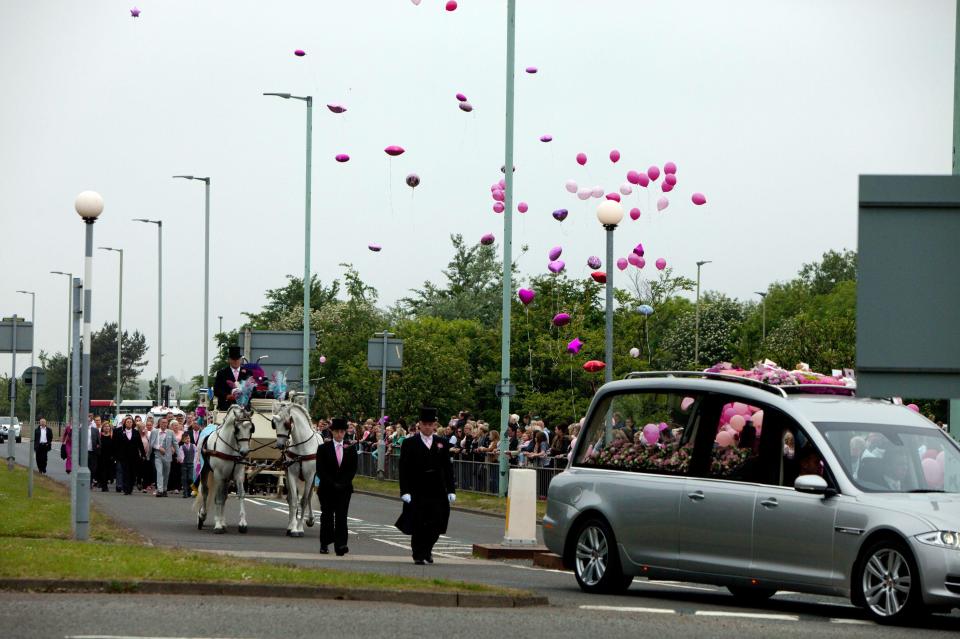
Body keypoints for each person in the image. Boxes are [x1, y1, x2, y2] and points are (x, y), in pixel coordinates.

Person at [397, 407, 456, 565]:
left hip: (437, 489)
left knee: (437, 523)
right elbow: (403, 468)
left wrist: (451, 489)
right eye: (425, 424)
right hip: (418, 489)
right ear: (420, 425)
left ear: (434, 425)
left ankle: (427, 549)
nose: (428, 427)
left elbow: (448, 469)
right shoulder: (410, 443)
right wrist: (404, 491)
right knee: (419, 523)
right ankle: (418, 554)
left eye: (431, 424)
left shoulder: (442, 443)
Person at [318, 418, 358, 556]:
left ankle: (341, 544)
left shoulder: (350, 449)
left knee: (342, 517)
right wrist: (332, 483)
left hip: (344, 489)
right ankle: (325, 543)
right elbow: (320, 470)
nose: (339, 434)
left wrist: (343, 483)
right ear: (332, 432)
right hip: (327, 489)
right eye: (337, 432)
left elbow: (352, 470)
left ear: (345, 432)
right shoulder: (323, 448)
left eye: (342, 432)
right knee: (327, 516)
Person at [213, 345, 250, 410]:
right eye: (233, 359)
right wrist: (227, 396)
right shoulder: (221, 373)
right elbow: (216, 390)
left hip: (244, 407)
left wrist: (244, 396)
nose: (235, 361)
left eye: (237, 359)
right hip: (226, 407)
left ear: (240, 360)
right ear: (229, 360)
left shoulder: (248, 373)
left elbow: (252, 390)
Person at [115, 416, 144, 495]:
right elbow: (116, 444)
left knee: (132, 473)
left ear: (133, 423)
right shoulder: (120, 432)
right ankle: (125, 488)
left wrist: (143, 453)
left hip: (134, 456)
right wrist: (116, 455)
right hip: (123, 456)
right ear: (125, 423)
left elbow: (140, 444)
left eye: (130, 422)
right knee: (125, 472)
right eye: (127, 422)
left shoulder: (135, 432)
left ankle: (130, 487)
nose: (129, 423)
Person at [150, 418, 177, 497]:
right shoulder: (154, 432)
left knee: (166, 473)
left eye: (166, 422)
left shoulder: (170, 432)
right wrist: (158, 447)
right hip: (157, 455)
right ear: (159, 423)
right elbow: (151, 443)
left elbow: (175, 444)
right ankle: (160, 490)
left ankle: (164, 489)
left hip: (168, 456)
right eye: (163, 422)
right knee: (159, 472)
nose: (164, 424)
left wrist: (179, 455)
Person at [177, 432, 196, 498]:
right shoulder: (182, 447)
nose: (187, 440)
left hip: (191, 464)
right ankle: (185, 493)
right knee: (184, 478)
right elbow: (181, 455)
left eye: (188, 438)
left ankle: (192, 490)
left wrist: (196, 461)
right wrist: (181, 460)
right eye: (186, 439)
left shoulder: (193, 446)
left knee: (190, 478)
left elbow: (196, 454)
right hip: (184, 465)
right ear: (183, 440)